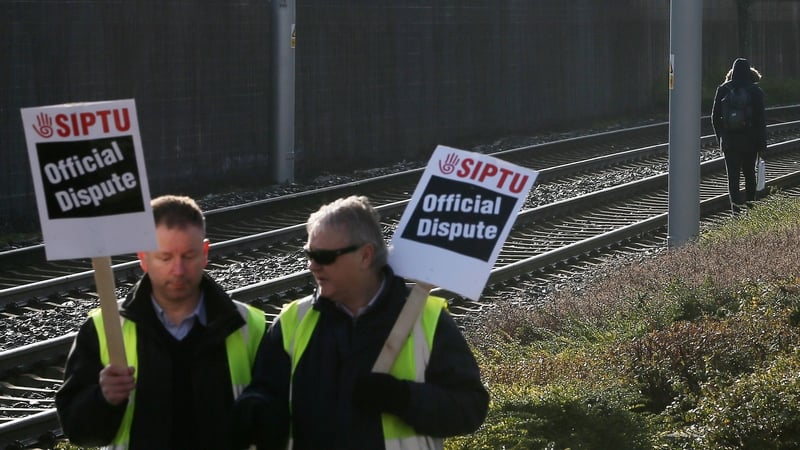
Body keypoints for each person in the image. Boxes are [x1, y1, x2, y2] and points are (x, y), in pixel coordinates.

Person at [230, 195, 489, 449]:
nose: (312, 266)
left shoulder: (426, 319)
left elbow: (470, 407)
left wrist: (403, 398)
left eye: (325, 256)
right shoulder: (292, 322)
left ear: (365, 256)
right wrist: (256, 412)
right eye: (309, 254)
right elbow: (265, 392)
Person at [55, 195, 266, 449]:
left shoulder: (248, 326)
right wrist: (103, 399)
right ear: (143, 258)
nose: (178, 270)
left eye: (188, 256)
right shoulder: (103, 329)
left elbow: (275, 424)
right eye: (165, 258)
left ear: (205, 253)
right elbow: (79, 433)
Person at [711, 57, 767, 213]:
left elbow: (715, 118)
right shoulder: (755, 91)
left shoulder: (723, 89)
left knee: (733, 178)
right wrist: (762, 144)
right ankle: (751, 209)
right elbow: (760, 120)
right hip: (750, 141)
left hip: (730, 142)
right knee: (750, 174)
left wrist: (721, 138)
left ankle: (735, 212)